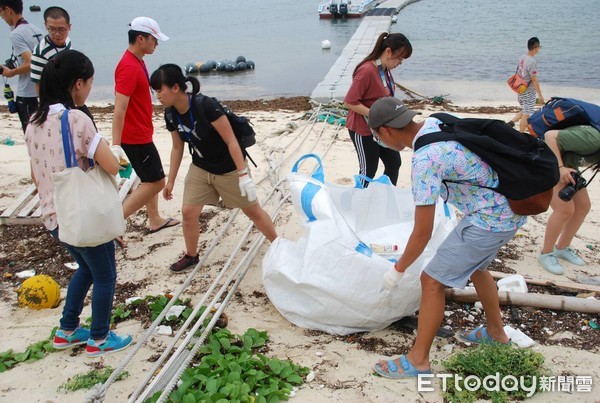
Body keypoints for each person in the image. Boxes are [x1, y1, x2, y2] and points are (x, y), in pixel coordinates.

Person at [367, 97, 526, 378]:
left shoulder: (424, 160)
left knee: (431, 280)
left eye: (377, 135)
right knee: (477, 267)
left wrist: (398, 269)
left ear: (386, 131)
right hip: (509, 205)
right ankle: (496, 332)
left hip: (489, 218)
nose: (379, 140)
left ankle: (418, 361)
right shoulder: (437, 121)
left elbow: (422, 233)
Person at [24, 50, 132, 357]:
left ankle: (67, 330)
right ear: (78, 83)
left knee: (85, 269)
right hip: (83, 214)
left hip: (54, 217)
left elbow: (35, 173)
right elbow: (111, 165)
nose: (88, 90)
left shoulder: (33, 121)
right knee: (105, 274)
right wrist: (119, 158)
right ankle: (99, 337)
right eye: (89, 83)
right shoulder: (76, 119)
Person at [150, 64, 277, 272]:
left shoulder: (206, 106)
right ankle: (191, 255)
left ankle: (278, 245)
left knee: (252, 210)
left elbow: (231, 141)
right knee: (188, 212)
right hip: (201, 167)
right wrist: (171, 180)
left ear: (175, 88)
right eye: (155, 91)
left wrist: (243, 174)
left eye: (159, 89)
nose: (157, 95)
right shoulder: (170, 114)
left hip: (229, 167)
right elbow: (176, 147)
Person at [111, 17, 180, 235]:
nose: (156, 44)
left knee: (148, 177)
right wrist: (115, 146)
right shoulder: (129, 67)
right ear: (141, 39)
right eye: (154, 39)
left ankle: (155, 219)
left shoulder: (137, 60)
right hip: (134, 137)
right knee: (157, 181)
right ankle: (113, 223)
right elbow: (119, 109)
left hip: (141, 132)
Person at [344, 32, 412, 187]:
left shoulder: (385, 70)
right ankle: (358, 202)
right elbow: (350, 101)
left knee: (394, 163)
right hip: (363, 129)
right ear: (388, 52)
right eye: (400, 58)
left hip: (381, 128)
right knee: (368, 169)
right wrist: (374, 114)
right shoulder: (367, 70)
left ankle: (386, 198)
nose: (400, 63)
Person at [537, 125, 600, 275]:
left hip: (566, 165)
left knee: (583, 205)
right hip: (545, 159)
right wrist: (560, 168)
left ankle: (562, 248)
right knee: (564, 209)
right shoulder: (594, 140)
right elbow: (550, 136)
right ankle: (546, 254)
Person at [0, 0, 43, 132]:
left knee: (31, 137)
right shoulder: (36, 29)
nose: (1, 17)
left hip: (27, 95)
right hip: (42, 91)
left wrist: (11, 72)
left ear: (8, 10)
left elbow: (32, 62)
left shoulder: (16, 34)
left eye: (0, 12)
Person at [508, 37, 545, 132]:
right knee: (527, 114)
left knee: (525, 109)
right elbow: (534, 79)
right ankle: (521, 135)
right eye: (539, 47)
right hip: (528, 91)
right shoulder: (532, 62)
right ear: (536, 48)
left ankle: (511, 122)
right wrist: (540, 95)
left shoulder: (522, 57)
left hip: (519, 88)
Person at [30, 6, 71, 91]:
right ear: (46, 26)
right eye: (52, 29)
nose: (57, 34)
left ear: (69, 27)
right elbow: (38, 86)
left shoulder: (67, 41)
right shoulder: (40, 53)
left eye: (61, 29)